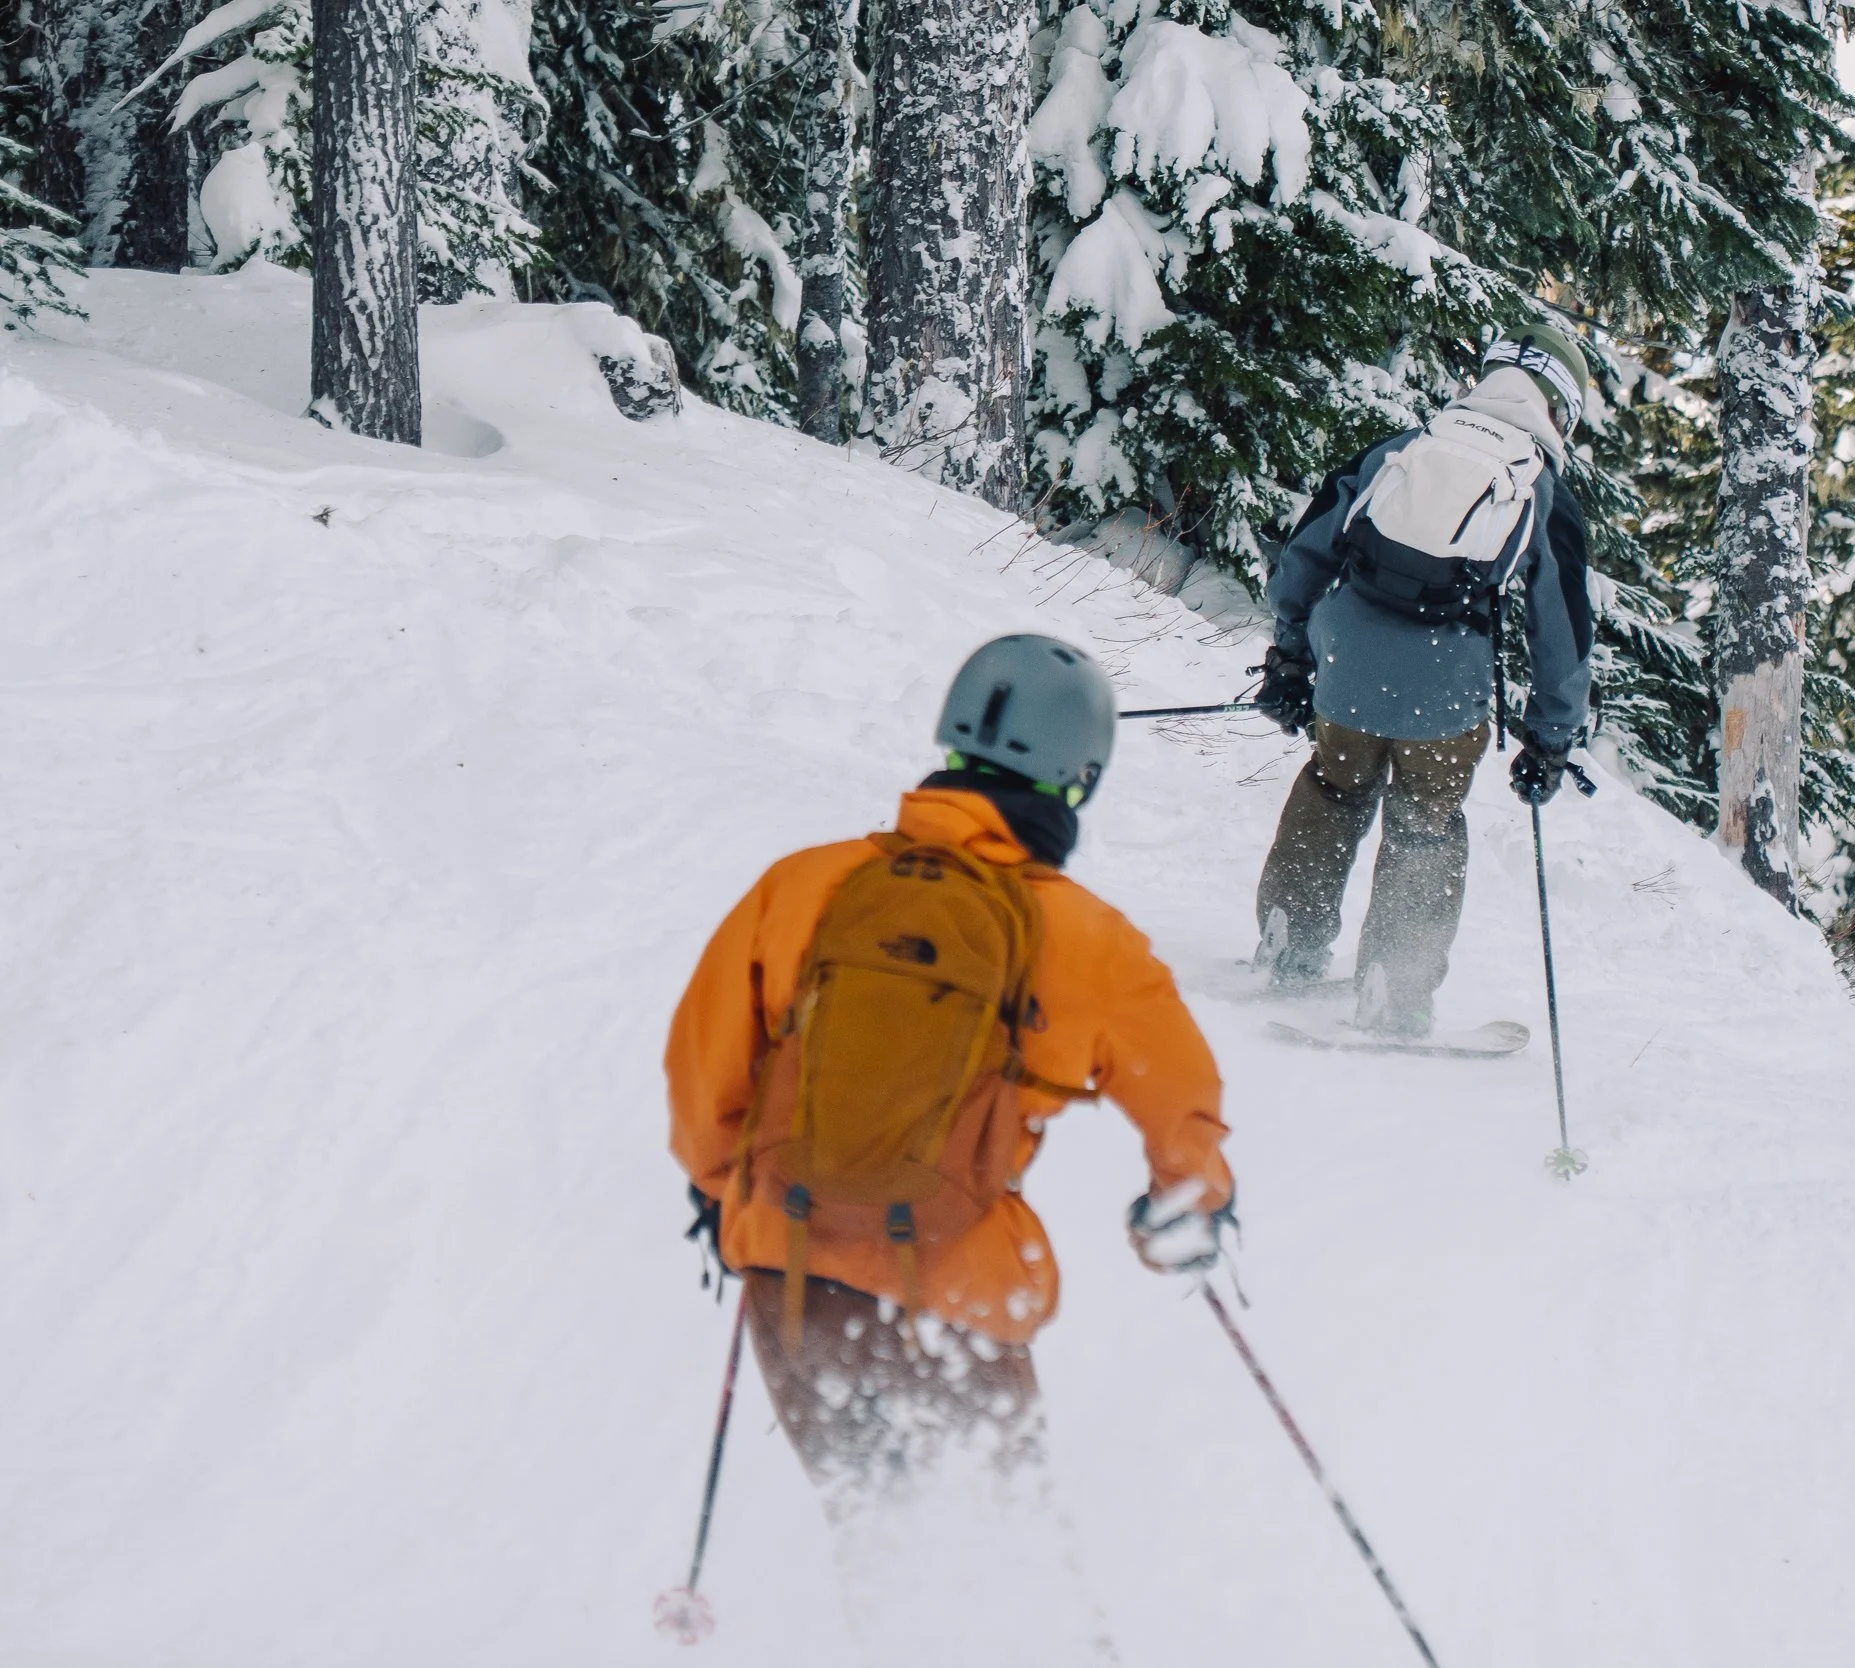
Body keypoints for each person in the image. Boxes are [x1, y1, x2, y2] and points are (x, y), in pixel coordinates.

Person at [666, 633, 1235, 1510]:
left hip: (791, 1282)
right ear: (1078, 778)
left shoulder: (804, 884)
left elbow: (703, 1069)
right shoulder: (1089, 941)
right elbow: (1181, 1094)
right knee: (1000, 1559)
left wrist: (723, 1192)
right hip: (956, 1299)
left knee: (874, 1537)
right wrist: (1186, 1204)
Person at [1252, 320, 1598, 1037]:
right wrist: (1551, 740)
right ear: (1559, 409)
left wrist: (1289, 655)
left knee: (1333, 788)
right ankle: (1396, 987)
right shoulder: (1542, 491)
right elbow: (1560, 632)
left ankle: (1289, 939)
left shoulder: (1407, 446)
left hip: (1345, 671)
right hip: (1444, 692)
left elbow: (1310, 548)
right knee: (1425, 824)